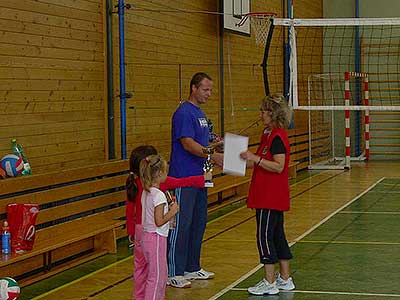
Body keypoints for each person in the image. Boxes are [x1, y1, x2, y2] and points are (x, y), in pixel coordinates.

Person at [125, 145, 212, 299]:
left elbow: (129, 211)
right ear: (157, 172)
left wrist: (131, 231)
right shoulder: (158, 188)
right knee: (157, 274)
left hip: (141, 231)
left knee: (140, 269)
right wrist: (202, 179)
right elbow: (183, 182)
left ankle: (138, 297)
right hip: (153, 234)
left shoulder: (139, 185)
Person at [168, 72, 224, 288]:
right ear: (194, 88)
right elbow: (188, 144)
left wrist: (217, 143)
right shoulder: (183, 112)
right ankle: (174, 271)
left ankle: (192, 267)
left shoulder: (200, 114)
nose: (209, 93)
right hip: (183, 178)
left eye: (210, 90)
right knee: (181, 225)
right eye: (205, 89)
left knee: (197, 224)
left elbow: (204, 140)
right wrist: (212, 155)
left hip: (201, 178)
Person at [240, 94, 295, 296]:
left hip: (269, 196)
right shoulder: (268, 134)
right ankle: (285, 278)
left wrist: (255, 158)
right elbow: (256, 161)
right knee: (277, 235)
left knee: (264, 237)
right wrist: (227, 154)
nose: (260, 114)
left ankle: (269, 281)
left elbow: (279, 166)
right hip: (266, 194)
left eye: (263, 110)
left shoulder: (278, 137)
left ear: (272, 113)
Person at [139, 154, 179, 300]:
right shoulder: (159, 195)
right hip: (155, 238)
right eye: (166, 171)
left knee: (162, 274)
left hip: (149, 238)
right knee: (156, 277)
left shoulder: (146, 192)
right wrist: (173, 211)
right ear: (160, 173)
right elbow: (159, 221)